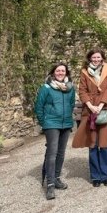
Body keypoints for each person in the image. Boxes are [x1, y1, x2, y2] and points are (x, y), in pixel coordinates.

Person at [72, 48, 107, 187]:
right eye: (93, 58)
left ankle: (105, 175)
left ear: (102, 58)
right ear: (90, 59)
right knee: (92, 144)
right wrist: (91, 106)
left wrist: (101, 104)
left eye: (98, 57)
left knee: (103, 144)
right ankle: (95, 176)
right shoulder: (85, 72)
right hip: (89, 111)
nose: (96, 60)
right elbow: (82, 90)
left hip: (104, 110)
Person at [34, 63, 75, 200]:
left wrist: (69, 117)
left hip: (66, 123)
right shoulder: (46, 88)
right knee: (52, 153)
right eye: (58, 70)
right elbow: (39, 106)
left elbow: (71, 104)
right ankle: (50, 184)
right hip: (51, 123)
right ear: (53, 72)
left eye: (63, 70)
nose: (60, 73)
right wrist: (44, 122)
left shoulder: (70, 88)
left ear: (66, 73)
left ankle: (56, 178)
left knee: (61, 153)